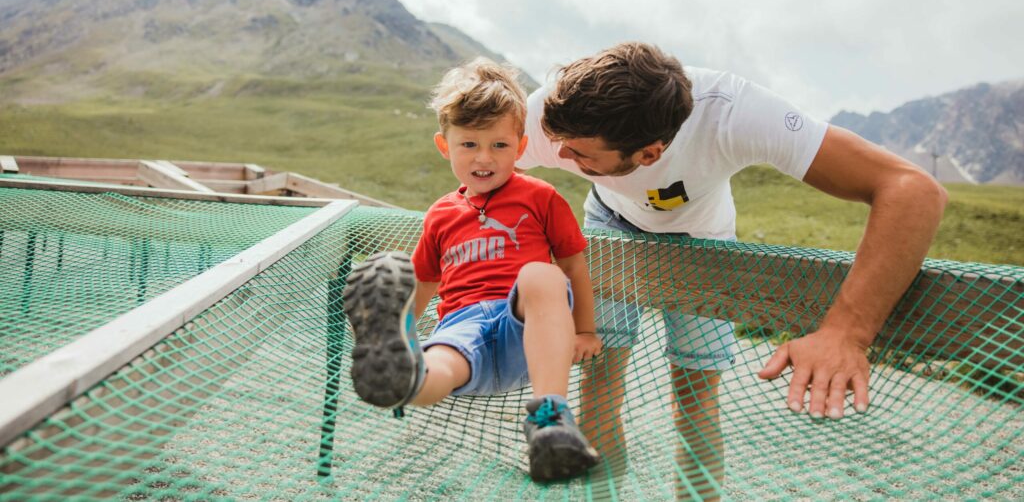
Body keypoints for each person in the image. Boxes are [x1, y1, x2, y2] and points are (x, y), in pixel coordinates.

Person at [516, 41, 947, 498]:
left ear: (650, 153)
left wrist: (847, 333)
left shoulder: (735, 112)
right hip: (610, 227)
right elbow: (480, 176)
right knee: (599, 379)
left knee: (695, 395)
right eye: (559, 143)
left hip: (704, 244)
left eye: (580, 154)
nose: (560, 158)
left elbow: (913, 189)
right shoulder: (550, 111)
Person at [343, 57, 605, 482]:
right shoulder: (441, 214)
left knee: (541, 275)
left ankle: (551, 419)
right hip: (463, 328)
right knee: (440, 362)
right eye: (469, 144)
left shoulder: (541, 197)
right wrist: (401, 324)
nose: (484, 158)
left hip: (527, 331)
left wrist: (585, 330)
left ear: (520, 148)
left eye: (499, 145)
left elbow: (573, 264)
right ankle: (404, 374)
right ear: (445, 146)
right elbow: (423, 283)